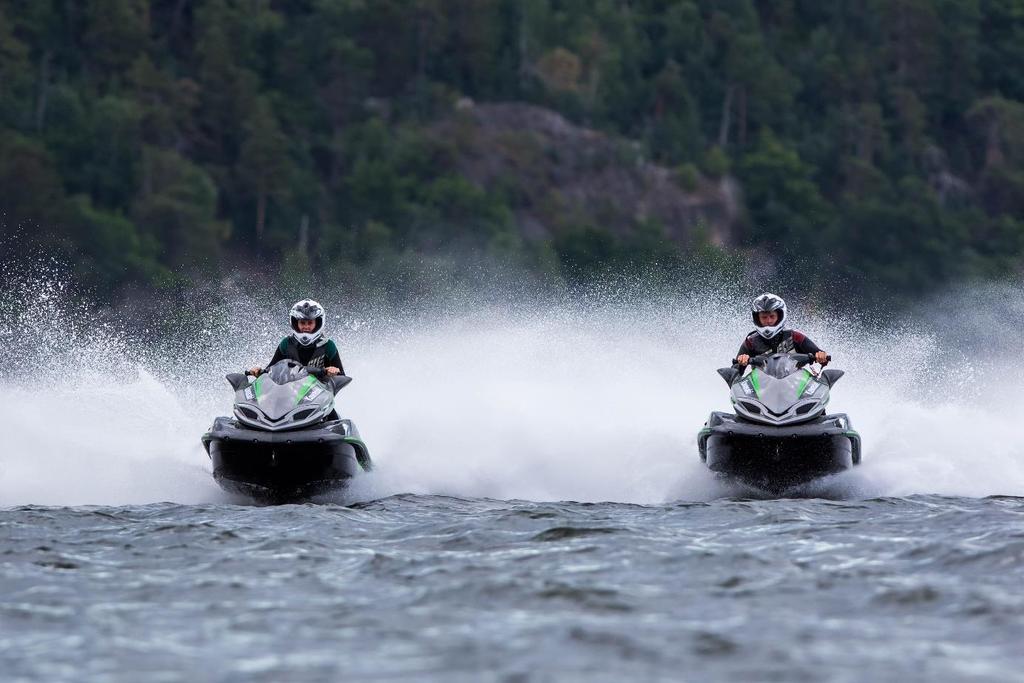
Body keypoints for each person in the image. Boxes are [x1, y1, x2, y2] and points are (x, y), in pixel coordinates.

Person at [248, 299, 345, 377]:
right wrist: (258, 372)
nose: (306, 326)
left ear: (318, 323)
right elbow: (270, 370)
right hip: (289, 393)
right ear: (295, 323)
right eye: (302, 323)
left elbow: (342, 377)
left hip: (318, 395)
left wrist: (334, 371)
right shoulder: (286, 343)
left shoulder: (328, 345)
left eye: (310, 323)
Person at [735, 293, 829, 367]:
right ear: (757, 319)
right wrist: (742, 360)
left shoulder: (795, 337)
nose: (768, 321)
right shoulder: (751, 342)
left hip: (794, 385)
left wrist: (821, 356)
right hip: (762, 388)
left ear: (780, 316)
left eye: (772, 316)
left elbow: (821, 356)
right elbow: (735, 372)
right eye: (764, 317)